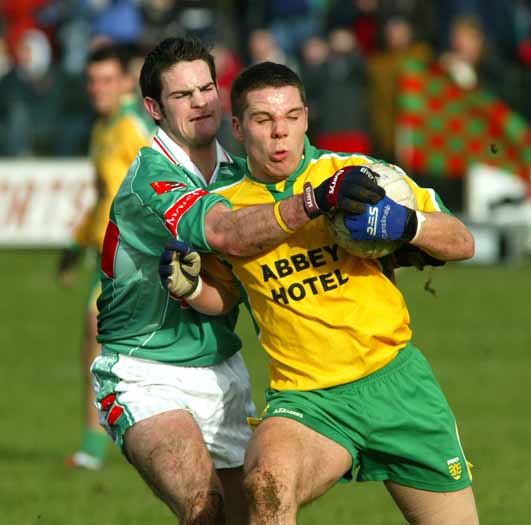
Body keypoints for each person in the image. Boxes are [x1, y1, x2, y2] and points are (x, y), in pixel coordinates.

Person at [160, 61, 479, 525]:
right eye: (264, 120)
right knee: (267, 483)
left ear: (307, 117)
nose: (280, 134)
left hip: (398, 384)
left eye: (291, 117)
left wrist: (407, 224)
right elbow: (225, 297)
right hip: (309, 402)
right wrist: (191, 287)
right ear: (238, 126)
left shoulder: (357, 174)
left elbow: (462, 242)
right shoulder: (225, 207)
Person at [91, 37, 382, 525]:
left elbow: (237, 287)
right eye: (182, 96)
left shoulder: (238, 175)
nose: (201, 101)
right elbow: (225, 232)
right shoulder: (150, 179)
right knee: (205, 509)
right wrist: (314, 200)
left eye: (207, 88)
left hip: (224, 371)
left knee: (255, 514)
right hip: (144, 372)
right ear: (153, 109)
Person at [58, 42, 154, 470]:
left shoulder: (133, 127)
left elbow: (164, 180)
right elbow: (102, 195)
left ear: (124, 82)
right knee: (99, 337)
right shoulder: (103, 128)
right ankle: (103, 439)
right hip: (108, 252)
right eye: (92, 80)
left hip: (139, 251)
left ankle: (97, 443)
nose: (98, 88)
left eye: (106, 80)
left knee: (95, 325)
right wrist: (76, 244)